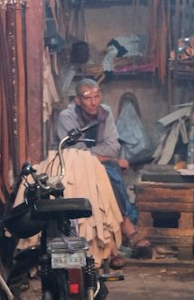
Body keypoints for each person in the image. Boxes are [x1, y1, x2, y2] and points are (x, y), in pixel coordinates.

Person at [54, 78, 145, 245]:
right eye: (88, 98)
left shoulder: (105, 113)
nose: (93, 102)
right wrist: (106, 157)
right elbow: (76, 152)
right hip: (72, 165)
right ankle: (125, 230)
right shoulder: (67, 117)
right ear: (78, 100)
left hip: (98, 162)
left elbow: (113, 147)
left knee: (112, 173)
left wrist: (104, 157)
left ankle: (115, 239)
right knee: (106, 175)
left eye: (96, 96)